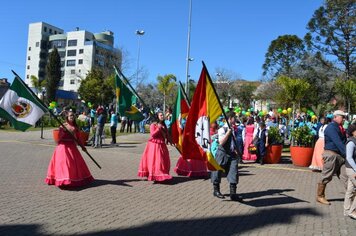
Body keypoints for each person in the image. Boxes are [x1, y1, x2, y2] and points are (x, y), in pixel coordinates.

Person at [45, 111, 94, 188]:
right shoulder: (63, 126)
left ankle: (70, 179)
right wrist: (64, 131)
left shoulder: (75, 127)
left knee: (71, 165)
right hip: (62, 147)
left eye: (73, 115)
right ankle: (63, 179)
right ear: (67, 117)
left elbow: (79, 138)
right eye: (70, 115)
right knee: (63, 164)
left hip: (72, 147)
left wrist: (83, 147)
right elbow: (59, 138)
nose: (72, 117)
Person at [316, 110, 347, 205]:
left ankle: (351, 195)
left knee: (346, 176)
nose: (344, 119)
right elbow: (338, 142)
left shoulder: (340, 127)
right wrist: (347, 154)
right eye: (342, 117)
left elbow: (344, 141)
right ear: (335, 117)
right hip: (331, 155)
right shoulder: (331, 128)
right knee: (326, 176)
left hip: (340, 156)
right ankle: (320, 196)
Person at [211, 111, 242, 201]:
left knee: (234, 172)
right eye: (234, 118)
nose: (235, 119)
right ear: (230, 119)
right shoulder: (222, 129)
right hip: (222, 153)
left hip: (232, 154)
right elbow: (221, 143)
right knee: (217, 172)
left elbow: (233, 142)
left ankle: (233, 194)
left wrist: (236, 150)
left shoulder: (233, 128)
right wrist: (228, 133)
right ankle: (216, 190)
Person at [138, 112, 172, 182]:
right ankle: (156, 175)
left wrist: (170, 139)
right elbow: (153, 135)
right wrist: (158, 128)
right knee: (157, 161)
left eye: (163, 115)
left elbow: (166, 134)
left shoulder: (163, 124)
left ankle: (162, 174)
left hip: (162, 145)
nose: (162, 116)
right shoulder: (153, 125)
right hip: (154, 145)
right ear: (157, 116)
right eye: (161, 115)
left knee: (163, 161)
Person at [343, 124, 356, 219]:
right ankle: (352, 211)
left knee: (350, 190)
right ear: (353, 132)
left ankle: (347, 211)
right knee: (350, 191)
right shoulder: (351, 143)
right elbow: (349, 158)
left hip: (352, 169)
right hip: (351, 169)